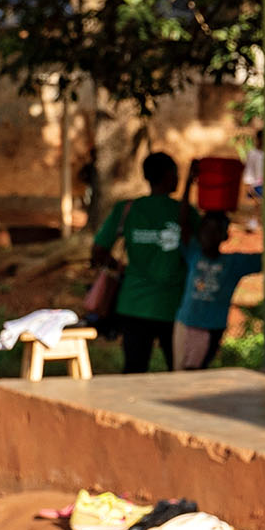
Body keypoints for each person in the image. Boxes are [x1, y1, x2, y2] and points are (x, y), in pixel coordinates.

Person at [90, 152, 197, 374]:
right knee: (179, 372)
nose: (177, 179)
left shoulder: (127, 209)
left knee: (134, 371)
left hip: (133, 303)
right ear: (168, 175)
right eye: (176, 174)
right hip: (173, 306)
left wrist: (120, 267)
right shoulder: (186, 213)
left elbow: (98, 250)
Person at [173, 209, 263, 370]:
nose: (210, 235)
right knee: (178, 370)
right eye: (206, 229)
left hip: (211, 328)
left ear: (224, 235)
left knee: (194, 374)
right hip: (185, 325)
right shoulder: (193, 253)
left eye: (216, 231)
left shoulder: (233, 263)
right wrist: (186, 185)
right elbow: (183, 224)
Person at [242, 127, 265, 232]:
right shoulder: (253, 153)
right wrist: (249, 187)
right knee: (257, 204)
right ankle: (253, 222)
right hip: (256, 185)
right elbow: (249, 173)